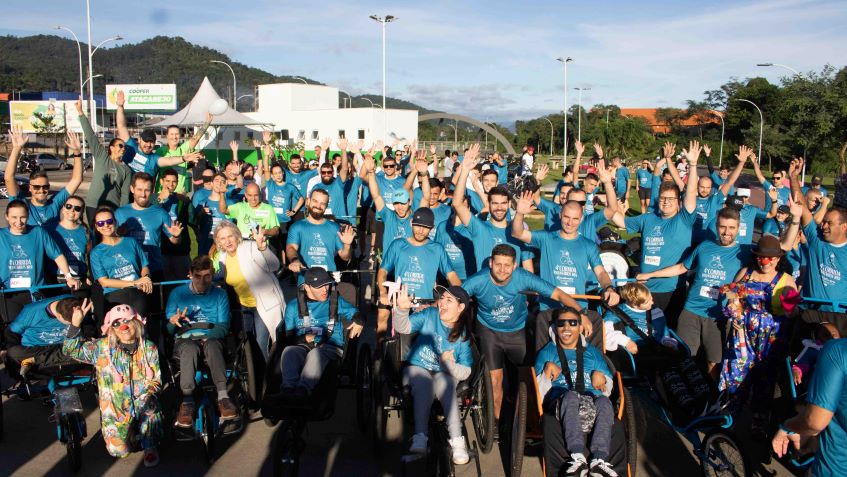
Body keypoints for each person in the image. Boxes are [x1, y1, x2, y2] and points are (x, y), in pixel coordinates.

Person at [462, 244, 583, 425]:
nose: (502, 270)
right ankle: (497, 424)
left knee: (526, 378)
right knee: (495, 380)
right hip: (489, 332)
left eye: (507, 265)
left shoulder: (522, 277)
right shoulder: (478, 280)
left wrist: (582, 314)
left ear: (515, 265)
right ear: (490, 263)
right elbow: (454, 298)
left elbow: (558, 294)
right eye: (498, 265)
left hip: (517, 332)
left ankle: (525, 419)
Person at [63, 302, 163, 467]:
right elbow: (71, 351)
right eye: (116, 323)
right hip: (116, 410)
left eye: (127, 321)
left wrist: (145, 398)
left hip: (144, 404)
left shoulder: (149, 348)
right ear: (111, 328)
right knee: (119, 451)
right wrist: (75, 325)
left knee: (152, 423)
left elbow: (157, 380)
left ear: (136, 322)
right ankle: (128, 436)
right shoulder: (102, 348)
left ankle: (149, 446)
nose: (123, 326)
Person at [719, 234, 799, 435]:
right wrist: (733, 307)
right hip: (743, 332)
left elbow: (793, 312)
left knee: (765, 378)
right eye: (762, 257)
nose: (766, 262)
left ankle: (758, 423)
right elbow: (731, 291)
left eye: (771, 258)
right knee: (736, 372)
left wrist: (790, 304)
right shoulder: (746, 273)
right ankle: (730, 417)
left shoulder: (786, 279)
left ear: (778, 259)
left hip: (771, 336)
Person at [392, 284, 472, 465]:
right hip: (417, 366)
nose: (442, 302)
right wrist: (401, 310)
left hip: (444, 372)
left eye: (448, 300)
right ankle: (420, 436)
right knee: (423, 384)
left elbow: (466, 370)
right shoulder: (429, 315)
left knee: (447, 385)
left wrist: (448, 365)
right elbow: (403, 328)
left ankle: (457, 441)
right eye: (442, 298)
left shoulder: (462, 335)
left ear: (461, 308)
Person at [624, 141, 700, 327]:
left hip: (671, 291)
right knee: (645, 331)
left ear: (678, 202)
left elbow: (689, 193)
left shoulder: (683, 219)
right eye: (663, 198)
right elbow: (617, 219)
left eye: (671, 199)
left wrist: (693, 165)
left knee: (669, 334)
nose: (665, 202)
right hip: (645, 289)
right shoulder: (649, 219)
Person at [536, 306, 616, 477]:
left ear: (580, 327)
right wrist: (545, 373)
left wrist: (601, 377)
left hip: (591, 400)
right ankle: (578, 457)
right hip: (561, 401)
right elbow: (538, 391)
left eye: (572, 323)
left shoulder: (593, 353)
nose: (566, 328)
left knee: (604, 401)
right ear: (555, 328)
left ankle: (598, 461)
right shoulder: (547, 352)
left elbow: (608, 389)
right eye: (561, 324)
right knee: (571, 396)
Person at [167, 255, 239, 429]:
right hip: (186, 339)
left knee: (213, 344)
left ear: (213, 274)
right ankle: (187, 400)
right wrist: (173, 322)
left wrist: (209, 337)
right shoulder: (177, 293)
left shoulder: (220, 294)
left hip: (212, 337)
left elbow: (223, 324)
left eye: (207, 276)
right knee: (189, 348)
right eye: (198, 276)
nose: (202, 280)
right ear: (190, 274)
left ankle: (223, 396)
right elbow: (169, 330)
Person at [377, 207, 462, 339]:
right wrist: (382, 292)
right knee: (383, 321)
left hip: (425, 305)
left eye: (425, 227)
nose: (421, 231)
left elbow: (451, 276)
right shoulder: (398, 245)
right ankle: (378, 352)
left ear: (432, 228)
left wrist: (459, 297)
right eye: (417, 225)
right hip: (401, 302)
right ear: (411, 223)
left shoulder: (437, 249)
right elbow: (383, 270)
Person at [277, 267, 362, 397]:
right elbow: (289, 338)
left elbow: (356, 313)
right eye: (319, 287)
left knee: (316, 354)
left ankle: (303, 390)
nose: (325, 290)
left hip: (330, 346)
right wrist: (304, 339)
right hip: (303, 346)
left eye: (327, 284)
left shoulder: (335, 301)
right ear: (307, 287)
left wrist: (359, 321)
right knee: (289, 352)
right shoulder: (293, 306)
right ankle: (288, 389)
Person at [453, 144, 534, 272]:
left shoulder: (518, 232)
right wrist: (464, 170)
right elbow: (457, 204)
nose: (499, 208)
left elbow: (528, 268)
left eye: (503, 203)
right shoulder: (480, 228)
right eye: (495, 203)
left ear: (509, 204)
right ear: (488, 204)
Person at [213, 220, 286, 362]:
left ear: (237, 236)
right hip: (244, 307)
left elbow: (274, 265)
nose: (227, 241)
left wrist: (263, 248)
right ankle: (255, 377)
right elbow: (222, 275)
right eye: (223, 238)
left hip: (265, 305)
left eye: (230, 236)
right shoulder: (223, 257)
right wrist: (204, 277)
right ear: (218, 242)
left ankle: (268, 379)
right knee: (247, 343)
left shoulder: (251, 247)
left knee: (261, 343)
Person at [772, 338, 847, 477]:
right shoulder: (816, 349)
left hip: (835, 468)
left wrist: (786, 427)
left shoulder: (838, 351)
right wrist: (798, 371)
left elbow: (814, 423)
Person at [0, 200, 80, 323]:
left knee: (35, 325)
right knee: (13, 328)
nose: (19, 222)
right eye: (14, 217)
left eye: (23, 217)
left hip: (35, 291)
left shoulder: (38, 232)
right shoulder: (1, 236)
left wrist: (69, 276)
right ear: (6, 217)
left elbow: (57, 255)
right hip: (9, 293)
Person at [788, 158, 847, 323]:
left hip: (840, 315)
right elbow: (802, 205)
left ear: (844, 227)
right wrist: (793, 178)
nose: (824, 226)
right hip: (811, 313)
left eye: (830, 223)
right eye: (824, 221)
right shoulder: (816, 239)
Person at [5, 126, 84, 226]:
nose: (41, 190)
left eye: (45, 187)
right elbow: (8, 178)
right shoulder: (22, 204)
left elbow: (77, 179)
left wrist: (77, 153)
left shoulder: (54, 203)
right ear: (30, 187)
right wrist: (16, 149)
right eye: (36, 187)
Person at [89, 206, 153, 326]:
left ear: (115, 222)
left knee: (141, 328)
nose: (106, 226)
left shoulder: (130, 242)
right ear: (97, 227)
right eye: (101, 223)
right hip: (115, 296)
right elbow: (104, 282)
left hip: (137, 292)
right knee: (119, 331)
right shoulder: (96, 252)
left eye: (109, 221)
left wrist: (146, 278)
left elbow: (144, 265)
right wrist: (133, 283)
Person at [115, 172, 183, 282]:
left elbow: (175, 241)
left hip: (154, 268)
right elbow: (110, 242)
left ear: (152, 191)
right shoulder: (120, 213)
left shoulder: (160, 212)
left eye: (147, 190)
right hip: (127, 271)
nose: (143, 194)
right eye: (139, 189)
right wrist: (118, 234)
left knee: (156, 299)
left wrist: (176, 236)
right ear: (132, 189)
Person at [115, 90, 200, 178]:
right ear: (139, 140)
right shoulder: (131, 146)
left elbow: (169, 161)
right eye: (146, 141)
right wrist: (120, 107)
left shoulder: (154, 159)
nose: (148, 144)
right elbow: (121, 126)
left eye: (151, 142)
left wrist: (183, 158)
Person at [74, 99, 133, 223]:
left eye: (125, 147)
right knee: (93, 237)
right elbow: (91, 137)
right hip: (94, 205)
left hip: (113, 208)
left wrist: (123, 214)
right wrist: (81, 114)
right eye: (120, 146)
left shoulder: (126, 169)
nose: (123, 148)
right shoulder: (102, 157)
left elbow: (125, 195)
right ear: (111, 148)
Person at [286, 188, 356, 281]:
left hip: (328, 280)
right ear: (308, 201)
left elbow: (345, 257)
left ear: (326, 206)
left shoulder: (334, 227)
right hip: (305, 280)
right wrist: (295, 260)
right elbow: (291, 248)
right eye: (315, 201)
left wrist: (347, 245)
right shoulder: (297, 227)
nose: (318, 206)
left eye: (323, 203)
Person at [5, 295, 85, 375]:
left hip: (65, 347)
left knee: (79, 350)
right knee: (13, 354)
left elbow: (87, 324)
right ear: (59, 316)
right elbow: (11, 332)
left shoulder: (71, 302)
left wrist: (82, 329)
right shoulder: (31, 312)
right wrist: (74, 326)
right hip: (35, 349)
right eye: (69, 323)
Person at [156, 116, 213, 194]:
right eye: (172, 134)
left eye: (177, 134)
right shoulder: (161, 151)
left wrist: (207, 123)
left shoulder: (183, 149)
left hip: (179, 195)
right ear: (167, 136)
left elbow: (195, 138)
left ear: (180, 135)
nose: (174, 137)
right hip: (161, 193)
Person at [157, 168, 193, 281]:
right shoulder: (153, 199)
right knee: (164, 287)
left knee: (183, 284)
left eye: (174, 182)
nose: (170, 184)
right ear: (161, 182)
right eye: (167, 181)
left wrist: (188, 203)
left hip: (180, 250)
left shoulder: (181, 200)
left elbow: (191, 219)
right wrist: (160, 199)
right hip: (161, 250)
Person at [45, 195, 88, 284]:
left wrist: (89, 276)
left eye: (77, 208)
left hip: (79, 280)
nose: (72, 210)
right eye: (69, 206)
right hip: (55, 280)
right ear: (63, 208)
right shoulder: (50, 230)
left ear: (82, 212)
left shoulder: (86, 231)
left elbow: (90, 257)